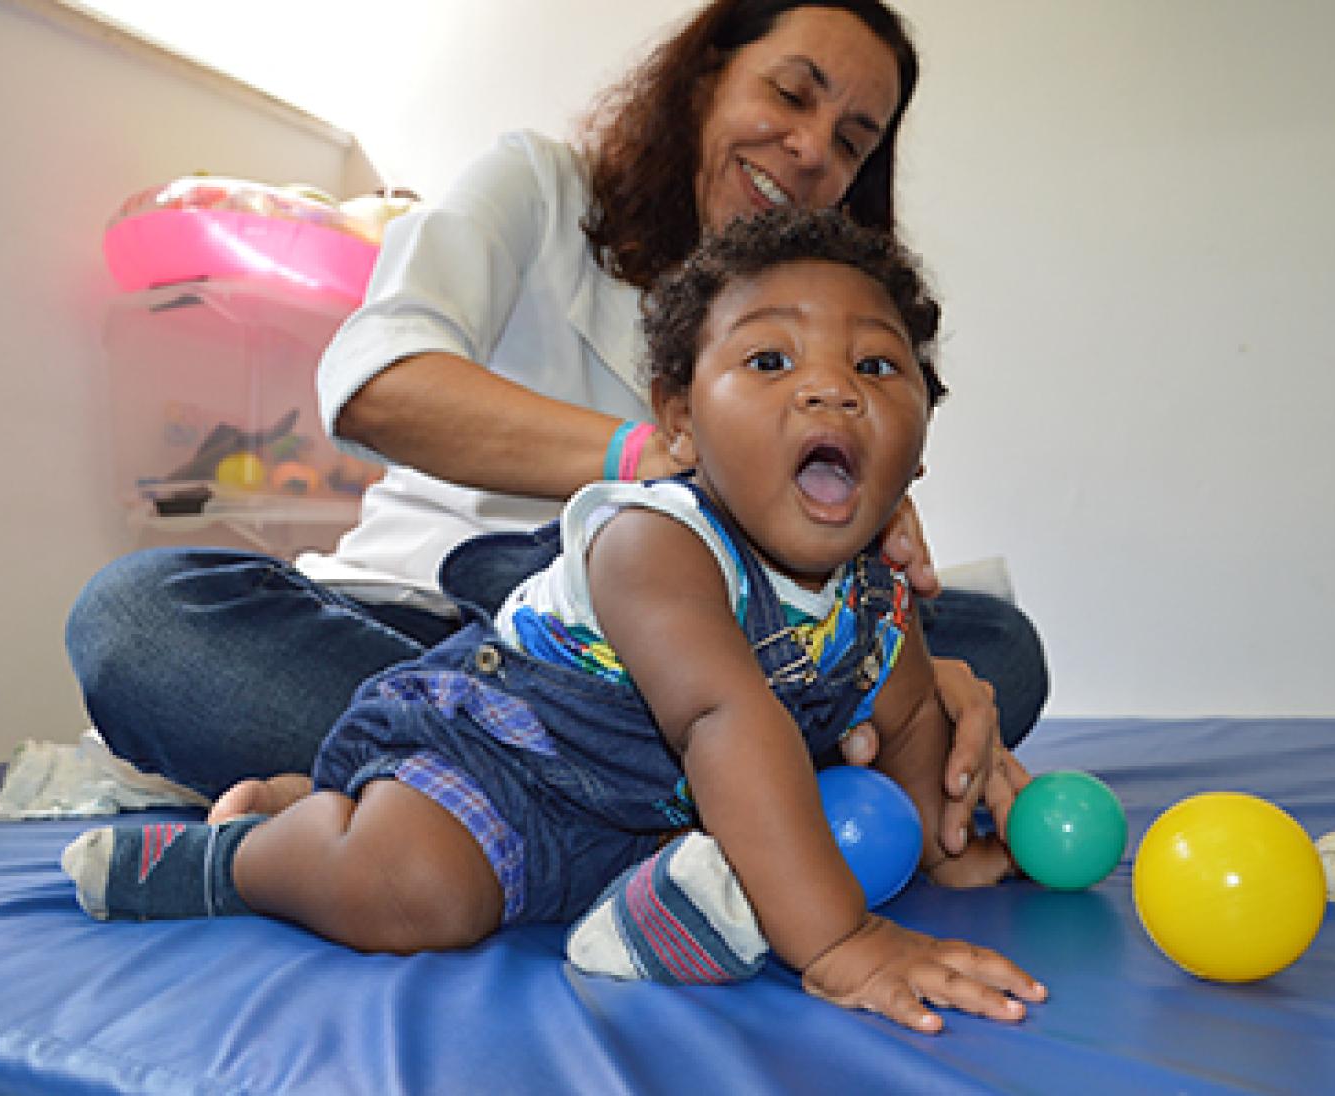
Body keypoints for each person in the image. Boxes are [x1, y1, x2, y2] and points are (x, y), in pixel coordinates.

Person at [65, 0, 1046, 855]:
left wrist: (899, 648)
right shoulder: (538, 186)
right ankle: (705, 804)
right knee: (141, 622)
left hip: (697, 673)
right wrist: (659, 462)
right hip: (446, 634)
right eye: (792, 96)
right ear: (705, 77)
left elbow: (846, 590)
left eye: (852, 140)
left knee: (997, 650)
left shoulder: (826, 324)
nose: (812, 148)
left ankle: (499, 805)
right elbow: (375, 381)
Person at [62, 207, 1047, 1032]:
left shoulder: (879, 591)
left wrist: (941, 842)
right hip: (511, 757)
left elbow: (914, 714)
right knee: (416, 893)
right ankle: (250, 851)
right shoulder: (655, 542)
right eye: (771, 359)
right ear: (679, 424)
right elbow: (722, 720)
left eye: (877, 368)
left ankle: (655, 899)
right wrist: (840, 938)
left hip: (656, 812)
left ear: (920, 447)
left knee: (973, 652)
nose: (830, 385)